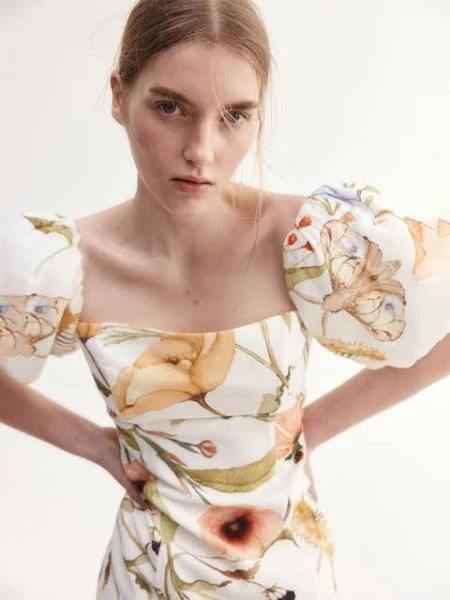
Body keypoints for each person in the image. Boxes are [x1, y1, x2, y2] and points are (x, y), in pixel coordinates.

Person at [1, 1, 449, 598]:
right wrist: (89, 443)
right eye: (170, 107)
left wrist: (311, 428)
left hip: (289, 577)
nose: (202, 150)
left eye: (235, 115)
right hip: (146, 577)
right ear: (118, 96)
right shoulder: (60, 265)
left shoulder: (309, 240)